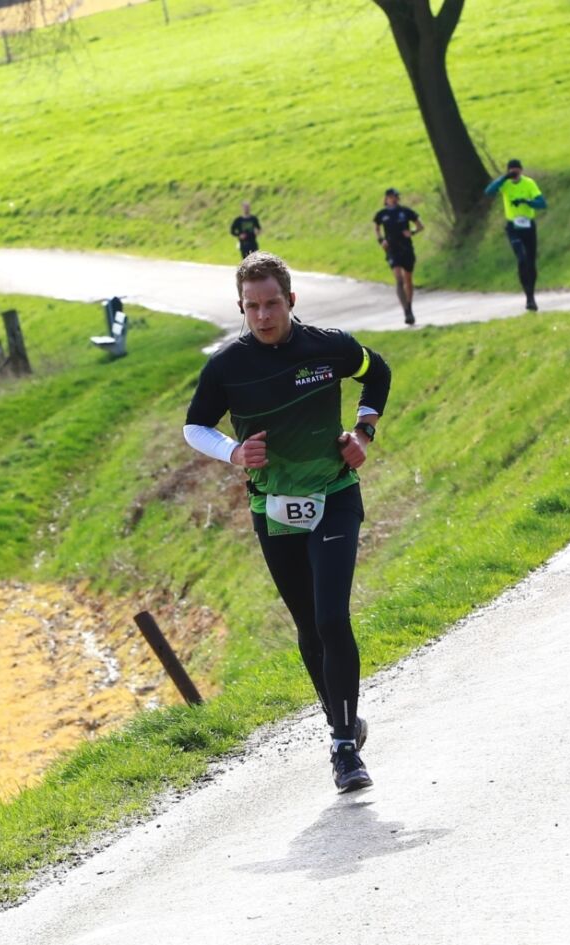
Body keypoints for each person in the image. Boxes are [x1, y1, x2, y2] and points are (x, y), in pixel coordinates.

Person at [183, 251, 392, 793]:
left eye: (272, 303)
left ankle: (344, 747)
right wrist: (232, 453)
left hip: (335, 494)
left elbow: (378, 372)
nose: (263, 315)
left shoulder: (328, 347)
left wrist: (364, 433)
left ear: (291, 301)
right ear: (241, 308)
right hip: (273, 509)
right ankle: (341, 721)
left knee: (330, 617)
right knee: (307, 626)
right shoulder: (227, 366)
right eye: (252, 306)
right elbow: (195, 426)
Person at [484, 159, 548, 311]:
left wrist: (527, 201)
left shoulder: (529, 183)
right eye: (511, 171)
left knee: (531, 262)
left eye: (516, 171)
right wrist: (504, 178)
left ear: (521, 171)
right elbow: (488, 191)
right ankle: (527, 296)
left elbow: (542, 204)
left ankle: (531, 297)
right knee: (522, 258)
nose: (514, 174)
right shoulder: (504, 184)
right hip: (513, 227)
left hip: (528, 226)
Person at [372, 188, 422, 325]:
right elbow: (376, 228)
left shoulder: (405, 212)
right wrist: (381, 240)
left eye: (395, 197)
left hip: (406, 248)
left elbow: (420, 225)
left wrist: (412, 232)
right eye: (391, 197)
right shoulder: (382, 214)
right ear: (386, 199)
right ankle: (406, 311)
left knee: (408, 280)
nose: (394, 199)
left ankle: (410, 306)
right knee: (399, 280)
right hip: (392, 249)